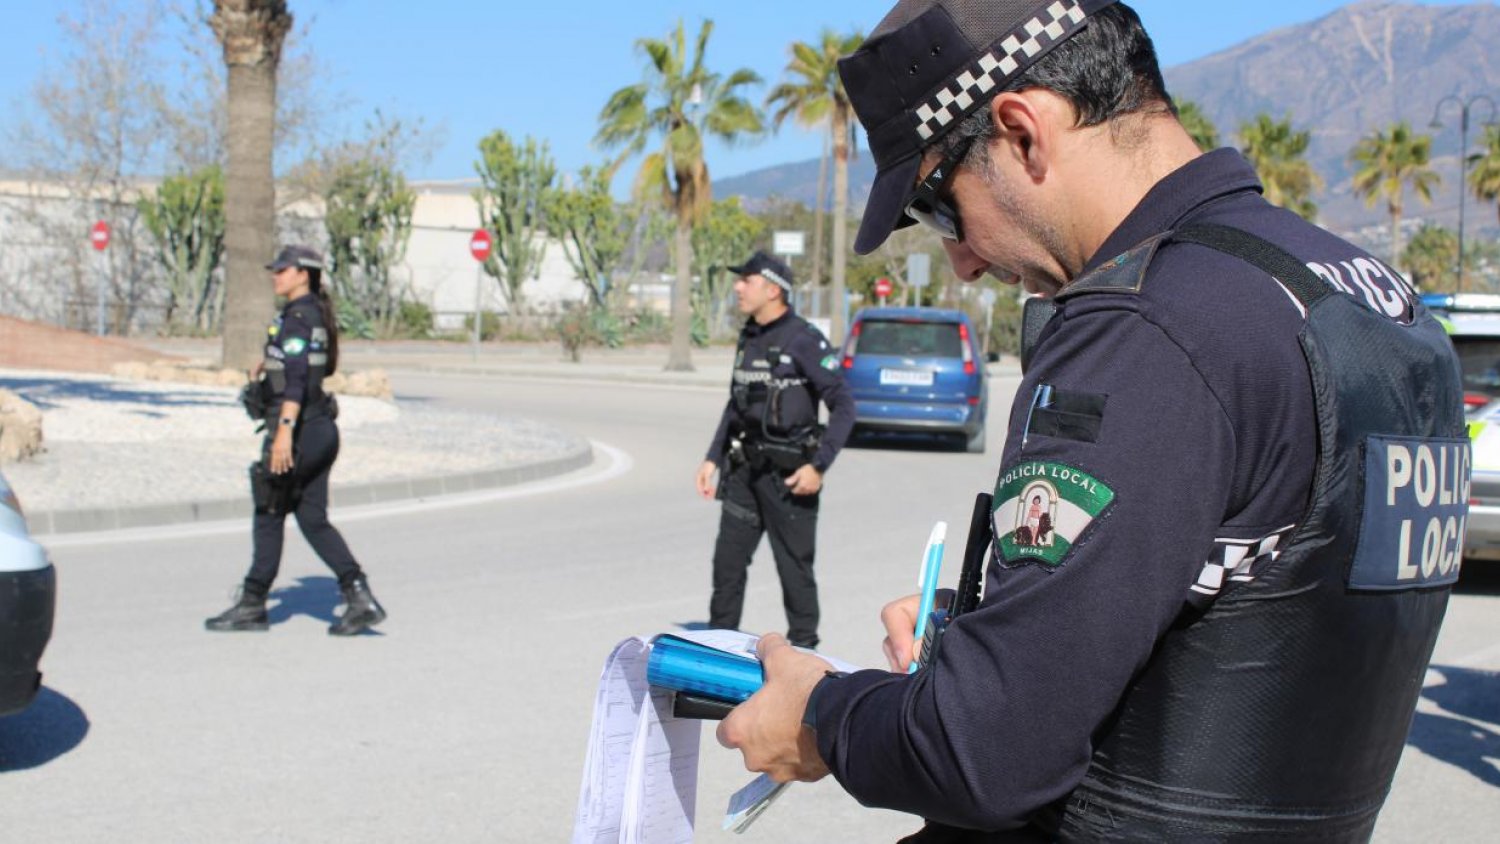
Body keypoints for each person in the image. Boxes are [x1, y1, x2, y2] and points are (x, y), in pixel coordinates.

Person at [716, 2, 1466, 841]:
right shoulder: (1365, 299)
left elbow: (982, 753)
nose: (961, 261)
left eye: (937, 207)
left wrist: (822, 714)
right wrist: (1004, 635)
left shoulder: (1149, 328)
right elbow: (1257, 606)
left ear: (1022, 132)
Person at [206, 245, 387, 637]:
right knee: (312, 518)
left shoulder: (299, 317)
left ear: (304, 273)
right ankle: (358, 597)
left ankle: (253, 603)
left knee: (269, 509)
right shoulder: (314, 315)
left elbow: (299, 379)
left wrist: (284, 431)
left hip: (300, 429)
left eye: (283, 270)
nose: (276, 275)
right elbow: (308, 364)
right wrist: (267, 364)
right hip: (321, 428)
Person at [694, 251, 856, 649]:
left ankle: (802, 656)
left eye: (745, 281)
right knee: (727, 568)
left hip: (790, 477)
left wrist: (818, 467)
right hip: (743, 473)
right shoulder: (749, 334)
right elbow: (736, 403)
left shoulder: (803, 339)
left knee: (795, 572)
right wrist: (712, 457)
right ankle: (719, 649)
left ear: (771, 289)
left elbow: (844, 406)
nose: (737, 288)